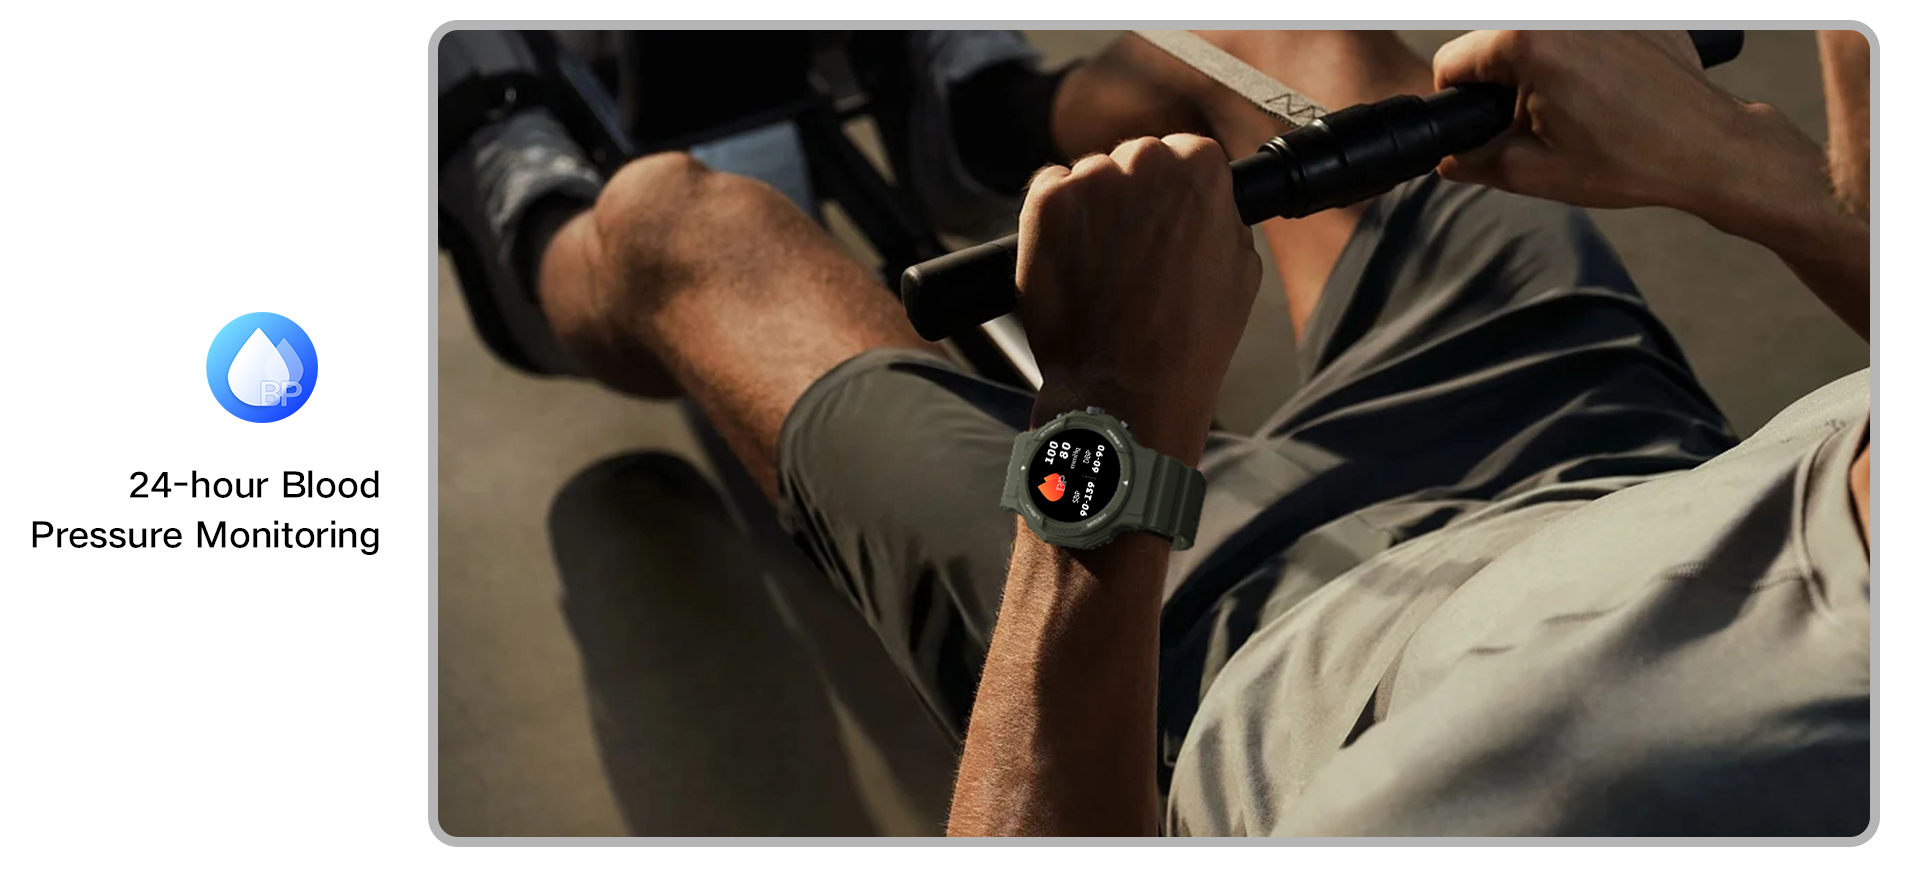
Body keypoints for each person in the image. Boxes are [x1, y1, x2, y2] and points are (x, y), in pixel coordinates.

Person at [441, 30, 1870, 836]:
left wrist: (1114, 417)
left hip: (1218, 659)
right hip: (1615, 471)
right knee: (1300, 38)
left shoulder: (1635, 798)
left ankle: (532, 235)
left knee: (687, 230)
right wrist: (1757, 172)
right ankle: (989, 125)